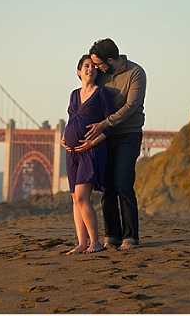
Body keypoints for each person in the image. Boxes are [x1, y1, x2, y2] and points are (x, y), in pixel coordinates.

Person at [83, 38, 147, 251]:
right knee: (107, 187)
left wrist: (104, 124)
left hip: (128, 134)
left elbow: (131, 107)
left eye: (99, 64)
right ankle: (112, 237)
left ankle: (131, 237)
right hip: (104, 136)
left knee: (123, 183)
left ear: (110, 60)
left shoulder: (136, 73)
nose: (96, 68)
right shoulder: (101, 75)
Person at [61, 55, 116, 255]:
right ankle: (82, 243)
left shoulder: (101, 93)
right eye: (86, 66)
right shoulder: (74, 94)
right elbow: (71, 119)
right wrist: (64, 137)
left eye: (93, 67)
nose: (90, 69)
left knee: (83, 197)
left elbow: (111, 125)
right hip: (72, 152)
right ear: (78, 71)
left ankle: (96, 242)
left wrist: (94, 141)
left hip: (91, 150)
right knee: (75, 198)